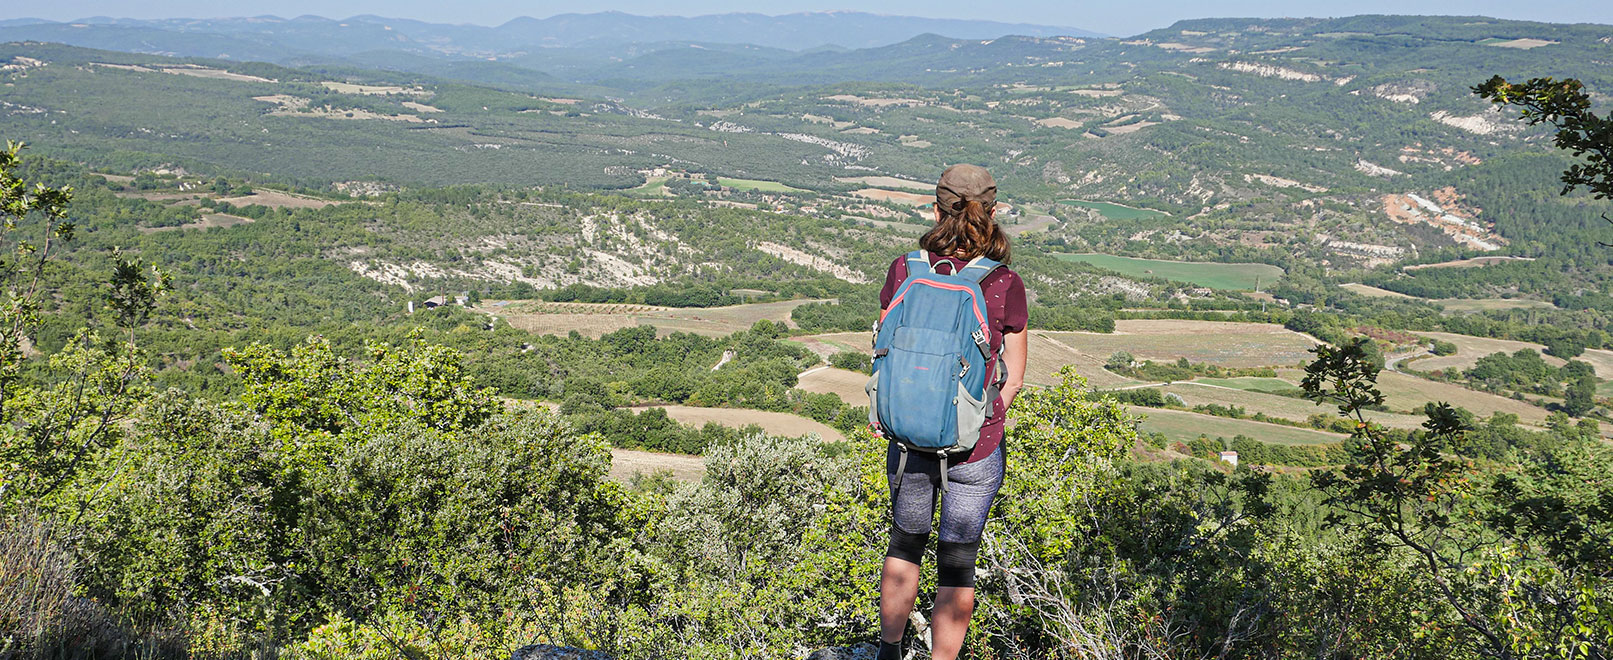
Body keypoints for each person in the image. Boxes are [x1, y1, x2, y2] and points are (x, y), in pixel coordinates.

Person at [875, 164, 1028, 660]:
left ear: (934, 206)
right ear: (995, 210)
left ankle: (888, 651)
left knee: (904, 544)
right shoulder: (1003, 282)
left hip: (909, 439)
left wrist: (901, 414)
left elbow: (884, 349)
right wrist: (982, 421)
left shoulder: (905, 269)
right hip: (975, 450)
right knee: (958, 560)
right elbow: (1016, 376)